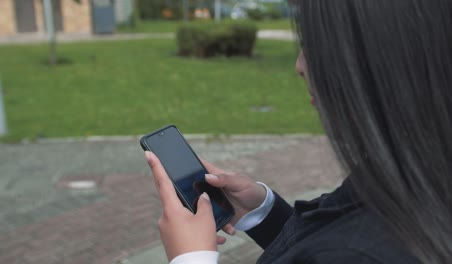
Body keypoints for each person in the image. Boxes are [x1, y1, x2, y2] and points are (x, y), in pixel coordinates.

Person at [144, 0, 452, 263]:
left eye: (314, 43)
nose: (299, 65)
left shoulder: (359, 253)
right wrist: (262, 212)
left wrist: (192, 256)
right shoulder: (418, 171)